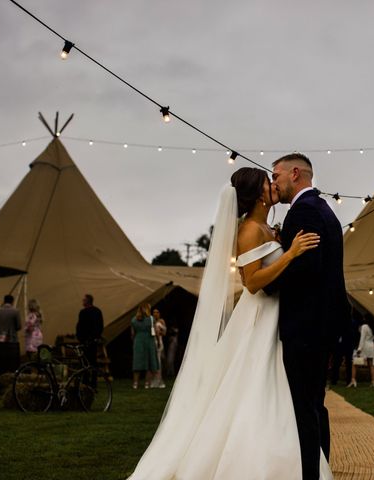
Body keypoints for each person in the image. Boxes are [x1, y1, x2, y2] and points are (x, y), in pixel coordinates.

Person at [128, 167, 331, 479]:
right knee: (255, 385)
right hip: (260, 316)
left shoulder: (265, 227)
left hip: (277, 316)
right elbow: (251, 282)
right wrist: (289, 255)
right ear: (257, 194)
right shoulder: (249, 230)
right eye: (268, 181)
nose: (273, 184)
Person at [268, 153, 350, 478]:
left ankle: (310, 474)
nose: (274, 183)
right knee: (315, 405)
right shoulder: (321, 208)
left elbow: (305, 271)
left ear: (295, 173)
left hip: (305, 327)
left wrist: (266, 281)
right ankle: (320, 470)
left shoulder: (303, 211)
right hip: (321, 326)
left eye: (277, 176)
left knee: (304, 408)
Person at [131, 305, 159, 389]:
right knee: (149, 362)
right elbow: (155, 331)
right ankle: (147, 383)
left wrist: (135, 341)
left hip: (138, 341)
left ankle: (135, 383)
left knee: (137, 362)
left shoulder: (133, 320)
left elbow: (132, 334)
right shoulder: (151, 319)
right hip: (149, 341)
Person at [76, 294, 104, 370]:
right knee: (87, 360)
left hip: (90, 340)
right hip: (86, 340)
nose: (83, 301)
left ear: (88, 301)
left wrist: (94, 337)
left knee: (90, 360)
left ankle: (91, 379)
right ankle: (87, 379)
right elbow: (80, 327)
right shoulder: (86, 312)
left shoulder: (94, 312)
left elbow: (99, 326)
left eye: (84, 300)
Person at [349, 320, 374, 388]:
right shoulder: (373, 327)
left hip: (365, 345)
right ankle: (373, 382)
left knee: (355, 363)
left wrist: (359, 349)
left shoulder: (364, 326)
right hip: (371, 345)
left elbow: (362, 338)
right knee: (371, 364)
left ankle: (353, 380)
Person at [152, 307, 167, 388]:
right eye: (154, 312)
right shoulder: (151, 321)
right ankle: (153, 381)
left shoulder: (161, 321)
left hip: (158, 342)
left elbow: (164, 333)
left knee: (158, 362)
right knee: (154, 362)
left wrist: (158, 332)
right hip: (151, 342)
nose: (155, 313)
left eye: (157, 312)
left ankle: (159, 381)